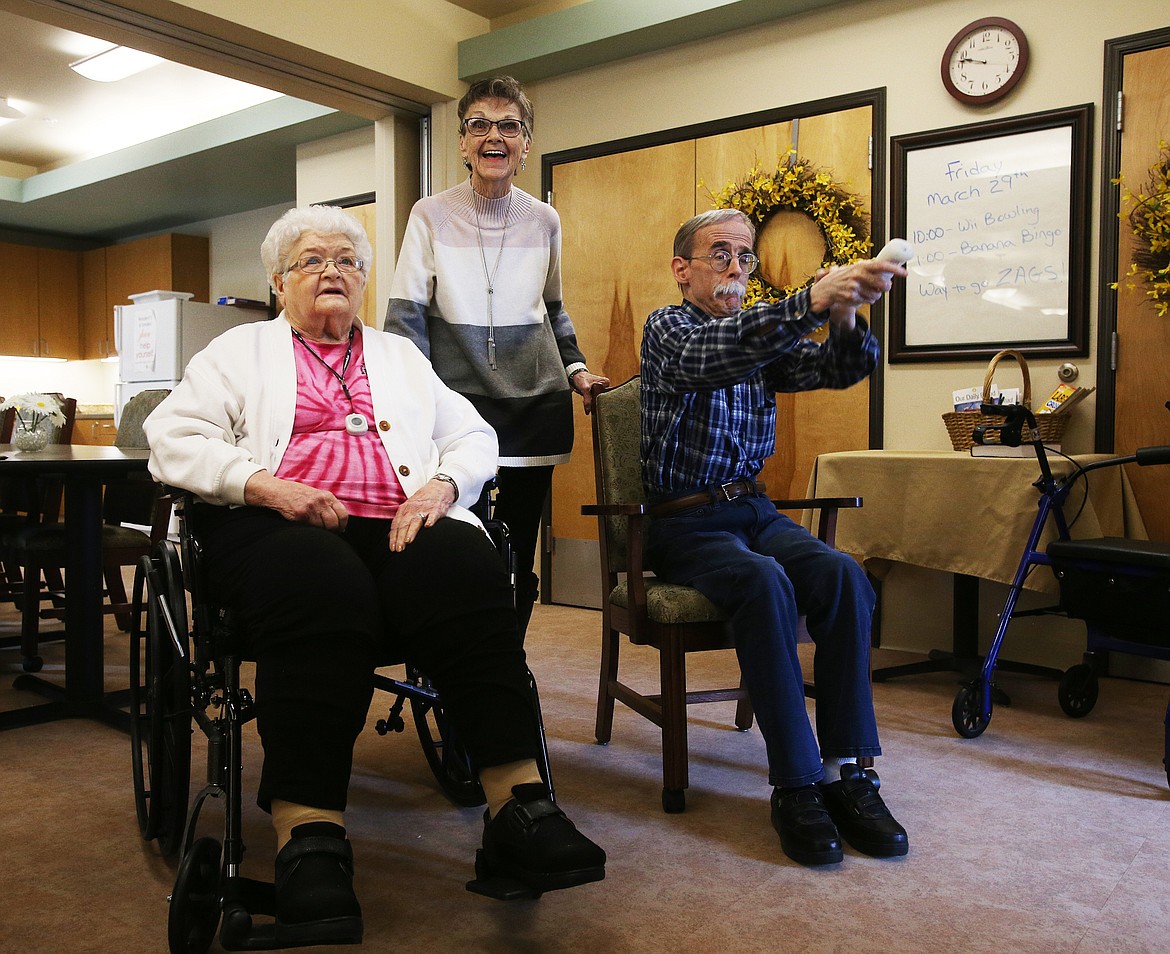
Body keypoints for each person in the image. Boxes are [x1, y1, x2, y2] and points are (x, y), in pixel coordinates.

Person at [145, 205, 605, 947]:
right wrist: (264, 484)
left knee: (467, 566)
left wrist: (444, 488)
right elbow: (171, 437)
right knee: (319, 583)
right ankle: (311, 837)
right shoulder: (239, 351)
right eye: (311, 261)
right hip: (273, 525)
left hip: (395, 520)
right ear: (278, 280)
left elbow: (470, 434)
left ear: (364, 279)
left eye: (348, 262)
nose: (333, 272)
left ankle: (518, 804)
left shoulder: (399, 357)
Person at [639, 208, 909, 867]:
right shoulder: (670, 329)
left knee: (843, 575)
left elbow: (839, 371)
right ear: (683, 270)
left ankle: (847, 770)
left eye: (746, 258)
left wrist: (845, 311)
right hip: (684, 521)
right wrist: (809, 298)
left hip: (753, 512)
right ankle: (795, 784)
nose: (737, 268)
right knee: (763, 582)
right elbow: (715, 357)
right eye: (721, 255)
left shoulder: (760, 336)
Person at [385, 75, 609, 639]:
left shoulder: (544, 220)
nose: (494, 137)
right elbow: (406, 316)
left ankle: (507, 663)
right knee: (461, 543)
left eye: (509, 126)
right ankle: (458, 666)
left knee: (519, 554)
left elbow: (552, 309)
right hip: (457, 412)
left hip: (536, 405)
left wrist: (577, 370)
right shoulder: (429, 215)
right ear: (462, 142)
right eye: (479, 124)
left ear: (525, 143)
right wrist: (417, 400)